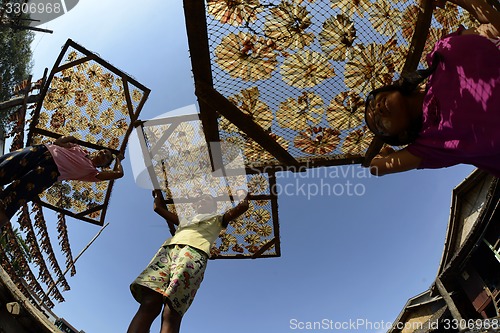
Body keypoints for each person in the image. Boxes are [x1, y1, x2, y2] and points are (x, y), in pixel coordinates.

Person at [365, 0, 500, 176]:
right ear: (401, 135)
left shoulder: (443, 50)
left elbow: (494, 27)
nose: (376, 110)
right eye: (379, 125)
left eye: (372, 101)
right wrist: (384, 154)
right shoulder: (430, 143)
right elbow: (376, 168)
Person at [127, 189, 250, 333]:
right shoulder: (184, 220)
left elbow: (243, 206)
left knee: (172, 309)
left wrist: (243, 195)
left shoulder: (218, 219)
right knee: (150, 302)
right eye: (200, 199)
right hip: (167, 252)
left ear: (215, 206)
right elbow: (158, 208)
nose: (202, 200)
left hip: (193, 254)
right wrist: (157, 195)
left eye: (207, 199)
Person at [0, 135, 124, 227]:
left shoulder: (92, 173)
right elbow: (58, 142)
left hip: (48, 172)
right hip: (42, 151)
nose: (104, 153)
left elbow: (119, 174)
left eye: (107, 157)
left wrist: (118, 159)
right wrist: (71, 138)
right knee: (8, 164)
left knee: (16, 196)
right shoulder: (79, 149)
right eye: (104, 151)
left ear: (105, 165)